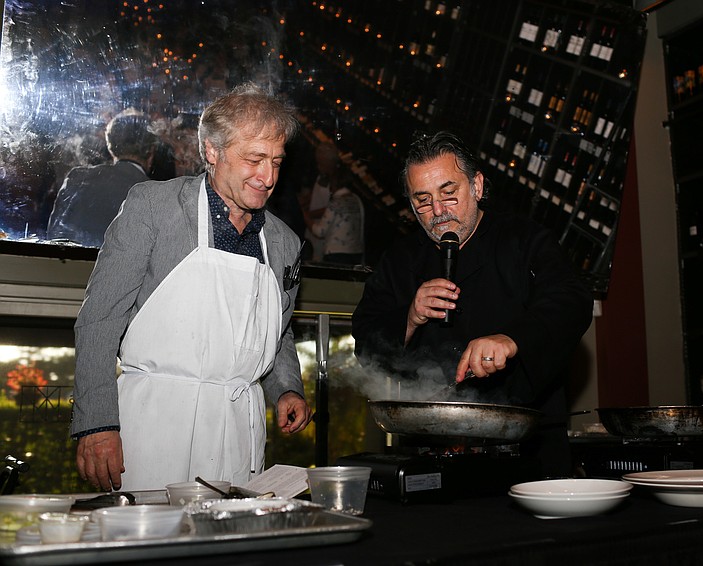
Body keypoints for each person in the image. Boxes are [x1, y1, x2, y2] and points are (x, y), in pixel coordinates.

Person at [70, 83, 313, 492]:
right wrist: (96, 424)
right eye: (254, 159)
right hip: (152, 427)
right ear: (213, 151)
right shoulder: (154, 208)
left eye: (276, 161)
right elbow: (100, 318)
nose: (268, 177)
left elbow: (276, 329)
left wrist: (285, 388)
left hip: (238, 433)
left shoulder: (285, 241)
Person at [351, 131, 593, 478]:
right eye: (422, 200)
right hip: (430, 446)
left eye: (449, 194)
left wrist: (512, 340)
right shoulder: (399, 259)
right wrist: (409, 317)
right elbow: (365, 342)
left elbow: (571, 301)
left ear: (477, 186)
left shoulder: (525, 240)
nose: (437, 211)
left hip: (526, 450)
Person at [46, 109, 156, 247]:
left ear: (111, 146)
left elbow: (54, 239)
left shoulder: (79, 178)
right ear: (151, 151)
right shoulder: (156, 195)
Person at [306, 143, 364, 265]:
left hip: (335, 254)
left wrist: (304, 214)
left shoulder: (336, 202)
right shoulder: (356, 199)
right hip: (355, 254)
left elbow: (320, 231)